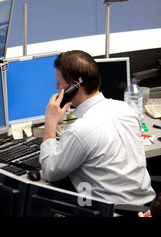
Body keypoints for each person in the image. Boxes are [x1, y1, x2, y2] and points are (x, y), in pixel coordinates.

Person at [40, 50, 155, 206]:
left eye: (59, 83)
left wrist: (50, 125)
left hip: (113, 212)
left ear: (74, 88)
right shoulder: (126, 109)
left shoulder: (79, 131)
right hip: (147, 207)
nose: (56, 87)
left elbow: (49, 172)